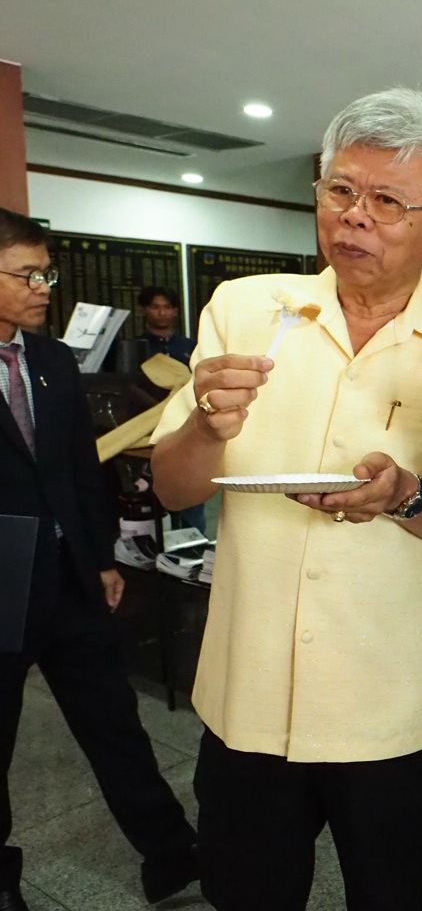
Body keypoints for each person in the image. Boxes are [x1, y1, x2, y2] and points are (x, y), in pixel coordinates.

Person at [149, 88, 422, 911]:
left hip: (387, 704)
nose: (355, 218)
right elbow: (172, 486)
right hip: (249, 691)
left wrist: (405, 498)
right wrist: (206, 425)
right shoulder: (247, 309)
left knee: (389, 896)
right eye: (340, 191)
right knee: (246, 893)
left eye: (387, 201)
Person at [0, 207, 198, 911]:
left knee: (113, 723)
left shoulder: (51, 361)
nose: (43, 286)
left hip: (70, 580)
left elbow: (81, 472)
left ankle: (173, 854)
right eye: (28, 274)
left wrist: (104, 557)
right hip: (0, 584)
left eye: (46, 272)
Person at [135, 286, 196, 368]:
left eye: (168, 307)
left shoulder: (191, 346)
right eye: (155, 307)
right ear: (143, 310)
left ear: (175, 311)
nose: (162, 313)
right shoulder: (135, 347)